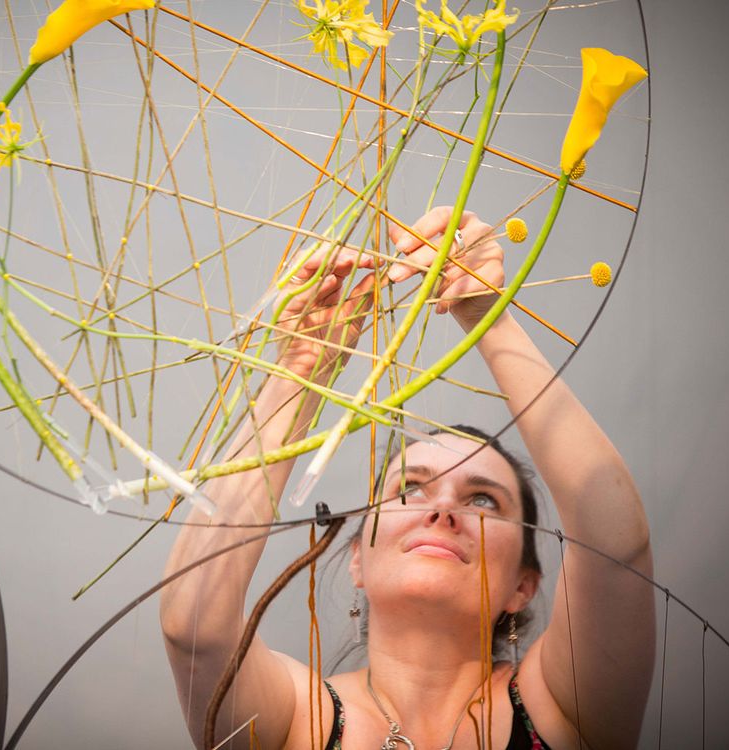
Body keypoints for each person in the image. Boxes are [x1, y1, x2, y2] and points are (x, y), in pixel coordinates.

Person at [161, 207, 656, 749]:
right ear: (356, 559)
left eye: (484, 501)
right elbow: (195, 625)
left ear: (523, 585)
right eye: (409, 488)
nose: (442, 510)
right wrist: (300, 372)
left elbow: (615, 546)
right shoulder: (295, 719)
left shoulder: (560, 707)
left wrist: (487, 316)